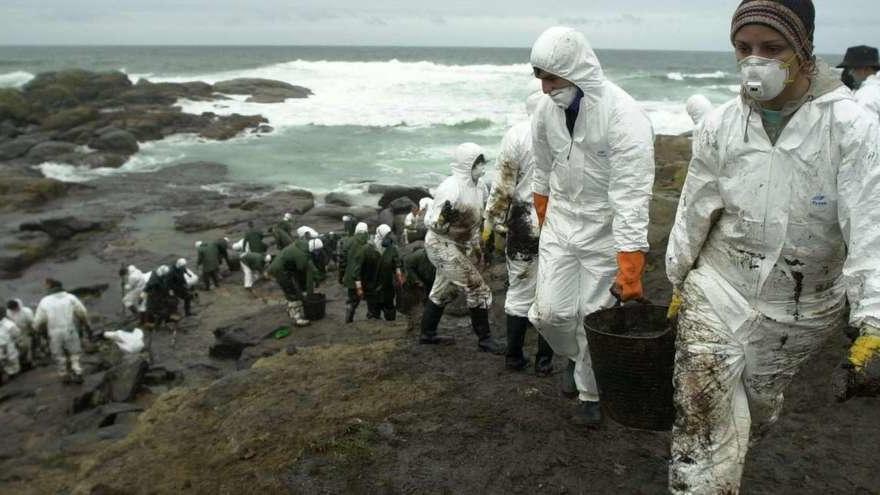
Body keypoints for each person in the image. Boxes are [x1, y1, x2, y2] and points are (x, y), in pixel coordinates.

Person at [665, 2, 880, 493]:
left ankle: (741, 433)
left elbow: (870, 224)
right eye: (744, 49)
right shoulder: (721, 125)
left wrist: (873, 317)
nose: (754, 62)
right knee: (700, 415)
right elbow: (694, 207)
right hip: (718, 286)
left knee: (754, 408)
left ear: (803, 50)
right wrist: (678, 276)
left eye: (771, 48)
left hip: (801, 306)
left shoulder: (850, 126)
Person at [527, 26, 655, 426]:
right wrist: (543, 211)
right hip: (562, 225)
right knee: (549, 313)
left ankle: (589, 393)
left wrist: (630, 260)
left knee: (592, 315)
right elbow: (542, 169)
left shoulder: (623, 115)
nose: (546, 88)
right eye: (540, 79)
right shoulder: (545, 112)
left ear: (576, 69)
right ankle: (575, 357)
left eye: (552, 78)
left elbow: (632, 193)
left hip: (604, 229)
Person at [483, 92, 555, 374]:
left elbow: (502, 186)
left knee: (519, 291)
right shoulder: (564, 132)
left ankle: (514, 356)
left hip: (523, 223)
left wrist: (492, 224)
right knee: (551, 291)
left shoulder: (516, 135)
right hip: (557, 223)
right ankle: (545, 361)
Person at [420, 143, 505, 354]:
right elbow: (431, 223)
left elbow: (478, 219)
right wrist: (442, 219)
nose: (482, 169)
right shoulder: (450, 188)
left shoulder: (480, 187)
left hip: (460, 244)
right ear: (466, 165)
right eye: (477, 164)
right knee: (478, 287)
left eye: (482, 163)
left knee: (443, 291)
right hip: (440, 245)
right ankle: (484, 339)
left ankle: (427, 334)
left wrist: (478, 246)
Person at [34, 279, 89, 383]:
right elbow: (82, 312)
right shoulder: (70, 297)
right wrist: (85, 323)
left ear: (50, 287)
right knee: (74, 352)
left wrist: (36, 330)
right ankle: (77, 371)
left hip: (54, 332)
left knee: (58, 354)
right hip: (70, 329)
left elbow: (38, 321)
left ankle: (64, 374)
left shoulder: (45, 301)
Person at [267, 243, 316, 327]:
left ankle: (291, 310)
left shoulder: (297, 247)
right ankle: (298, 319)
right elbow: (302, 271)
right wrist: (306, 292)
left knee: (290, 291)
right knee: (292, 293)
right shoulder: (301, 255)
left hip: (278, 268)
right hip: (280, 271)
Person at [342, 222, 371, 322]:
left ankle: (348, 320)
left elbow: (343, 261)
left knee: (352, 300)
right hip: (366, 276)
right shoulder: (369, 242)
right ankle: (371, 318)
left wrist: (341, 275)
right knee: (370, 298)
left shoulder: (348, 241)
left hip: (351, 277)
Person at [402, 246, 436, 332]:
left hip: (427, 280)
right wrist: (417, 280)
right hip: (412, 282)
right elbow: (408, 267)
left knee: (428, 301)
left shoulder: (437, 257)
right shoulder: (413, 257)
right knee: (413, 303)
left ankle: (425, 323)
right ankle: (412, 324)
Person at [841, 46, 880, 119]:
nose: (850, 73)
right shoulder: (876, 89)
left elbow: (866, 128)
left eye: (852, 68)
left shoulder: (867, 95)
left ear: (865, 68)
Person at [6, 299, 36, 367]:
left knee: (27, 347)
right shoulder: (8, 312)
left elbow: (32, 323)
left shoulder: (27, 311)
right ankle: (21, 362)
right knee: (17, 349)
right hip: (14, 331)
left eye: (15, 308)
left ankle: (30, 362)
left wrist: (32, 331)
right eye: (12, 309)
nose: (14, 310)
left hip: (25, 331)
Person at [0, 310, 21, 380]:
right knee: (11, 370)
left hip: (9, 352)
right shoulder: (9, 324)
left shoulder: (8, 325)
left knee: (13, 370)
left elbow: (17, 335)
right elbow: (17, 334)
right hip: (8, 352)